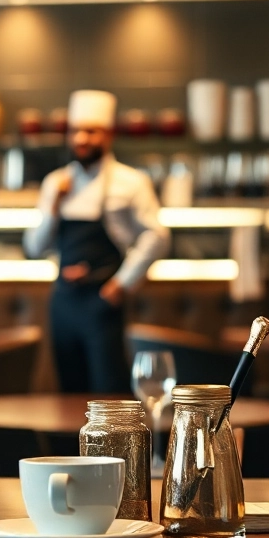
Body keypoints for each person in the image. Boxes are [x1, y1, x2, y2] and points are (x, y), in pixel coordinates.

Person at [25, 90, 169, 393]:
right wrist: (53, 207)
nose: (81, 139)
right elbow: (34, 248)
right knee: (68, 392)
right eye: (75, 131)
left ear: (109, 134)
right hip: (62, 301)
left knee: (108, 392)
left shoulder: (130, 182)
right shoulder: (55, 182)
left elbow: (157, 236)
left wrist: (122, 284)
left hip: (102, 301)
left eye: (91, 131)